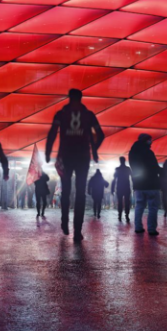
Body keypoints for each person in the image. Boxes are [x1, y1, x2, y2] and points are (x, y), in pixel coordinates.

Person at [45, 88, 105, 242]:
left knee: (65, 190)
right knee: (80, 193)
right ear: (81, 98)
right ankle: (77, 231)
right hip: (83, 156)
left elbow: (52, 133)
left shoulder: (61, 114)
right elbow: (101, 134)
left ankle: (65, 221)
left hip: (65, 155)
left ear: (69, 98)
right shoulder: (89, 115)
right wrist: (94, 149)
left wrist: (47, 152)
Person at [129, 134, 161, 235]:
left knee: (139, 206)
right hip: (151, 183)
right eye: (150, 140)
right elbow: (155, 167)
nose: (151, 142)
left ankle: (138, 227)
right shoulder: (148, 152)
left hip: (138, 184)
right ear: (146, 141)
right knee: (152, 207)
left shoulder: (132, 153)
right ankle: (151, 229)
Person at [110, 157, 132, 223]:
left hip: (119, 188)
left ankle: (119, 215)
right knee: (127, 202)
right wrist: (135, 186)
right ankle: (127, 216)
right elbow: (132, 178)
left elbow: (114, 180)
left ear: (120, 161)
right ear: (125, 161)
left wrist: (112, 189)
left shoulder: (117, 169)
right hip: (127, 187)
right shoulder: (128, 169)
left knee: (120, 202)